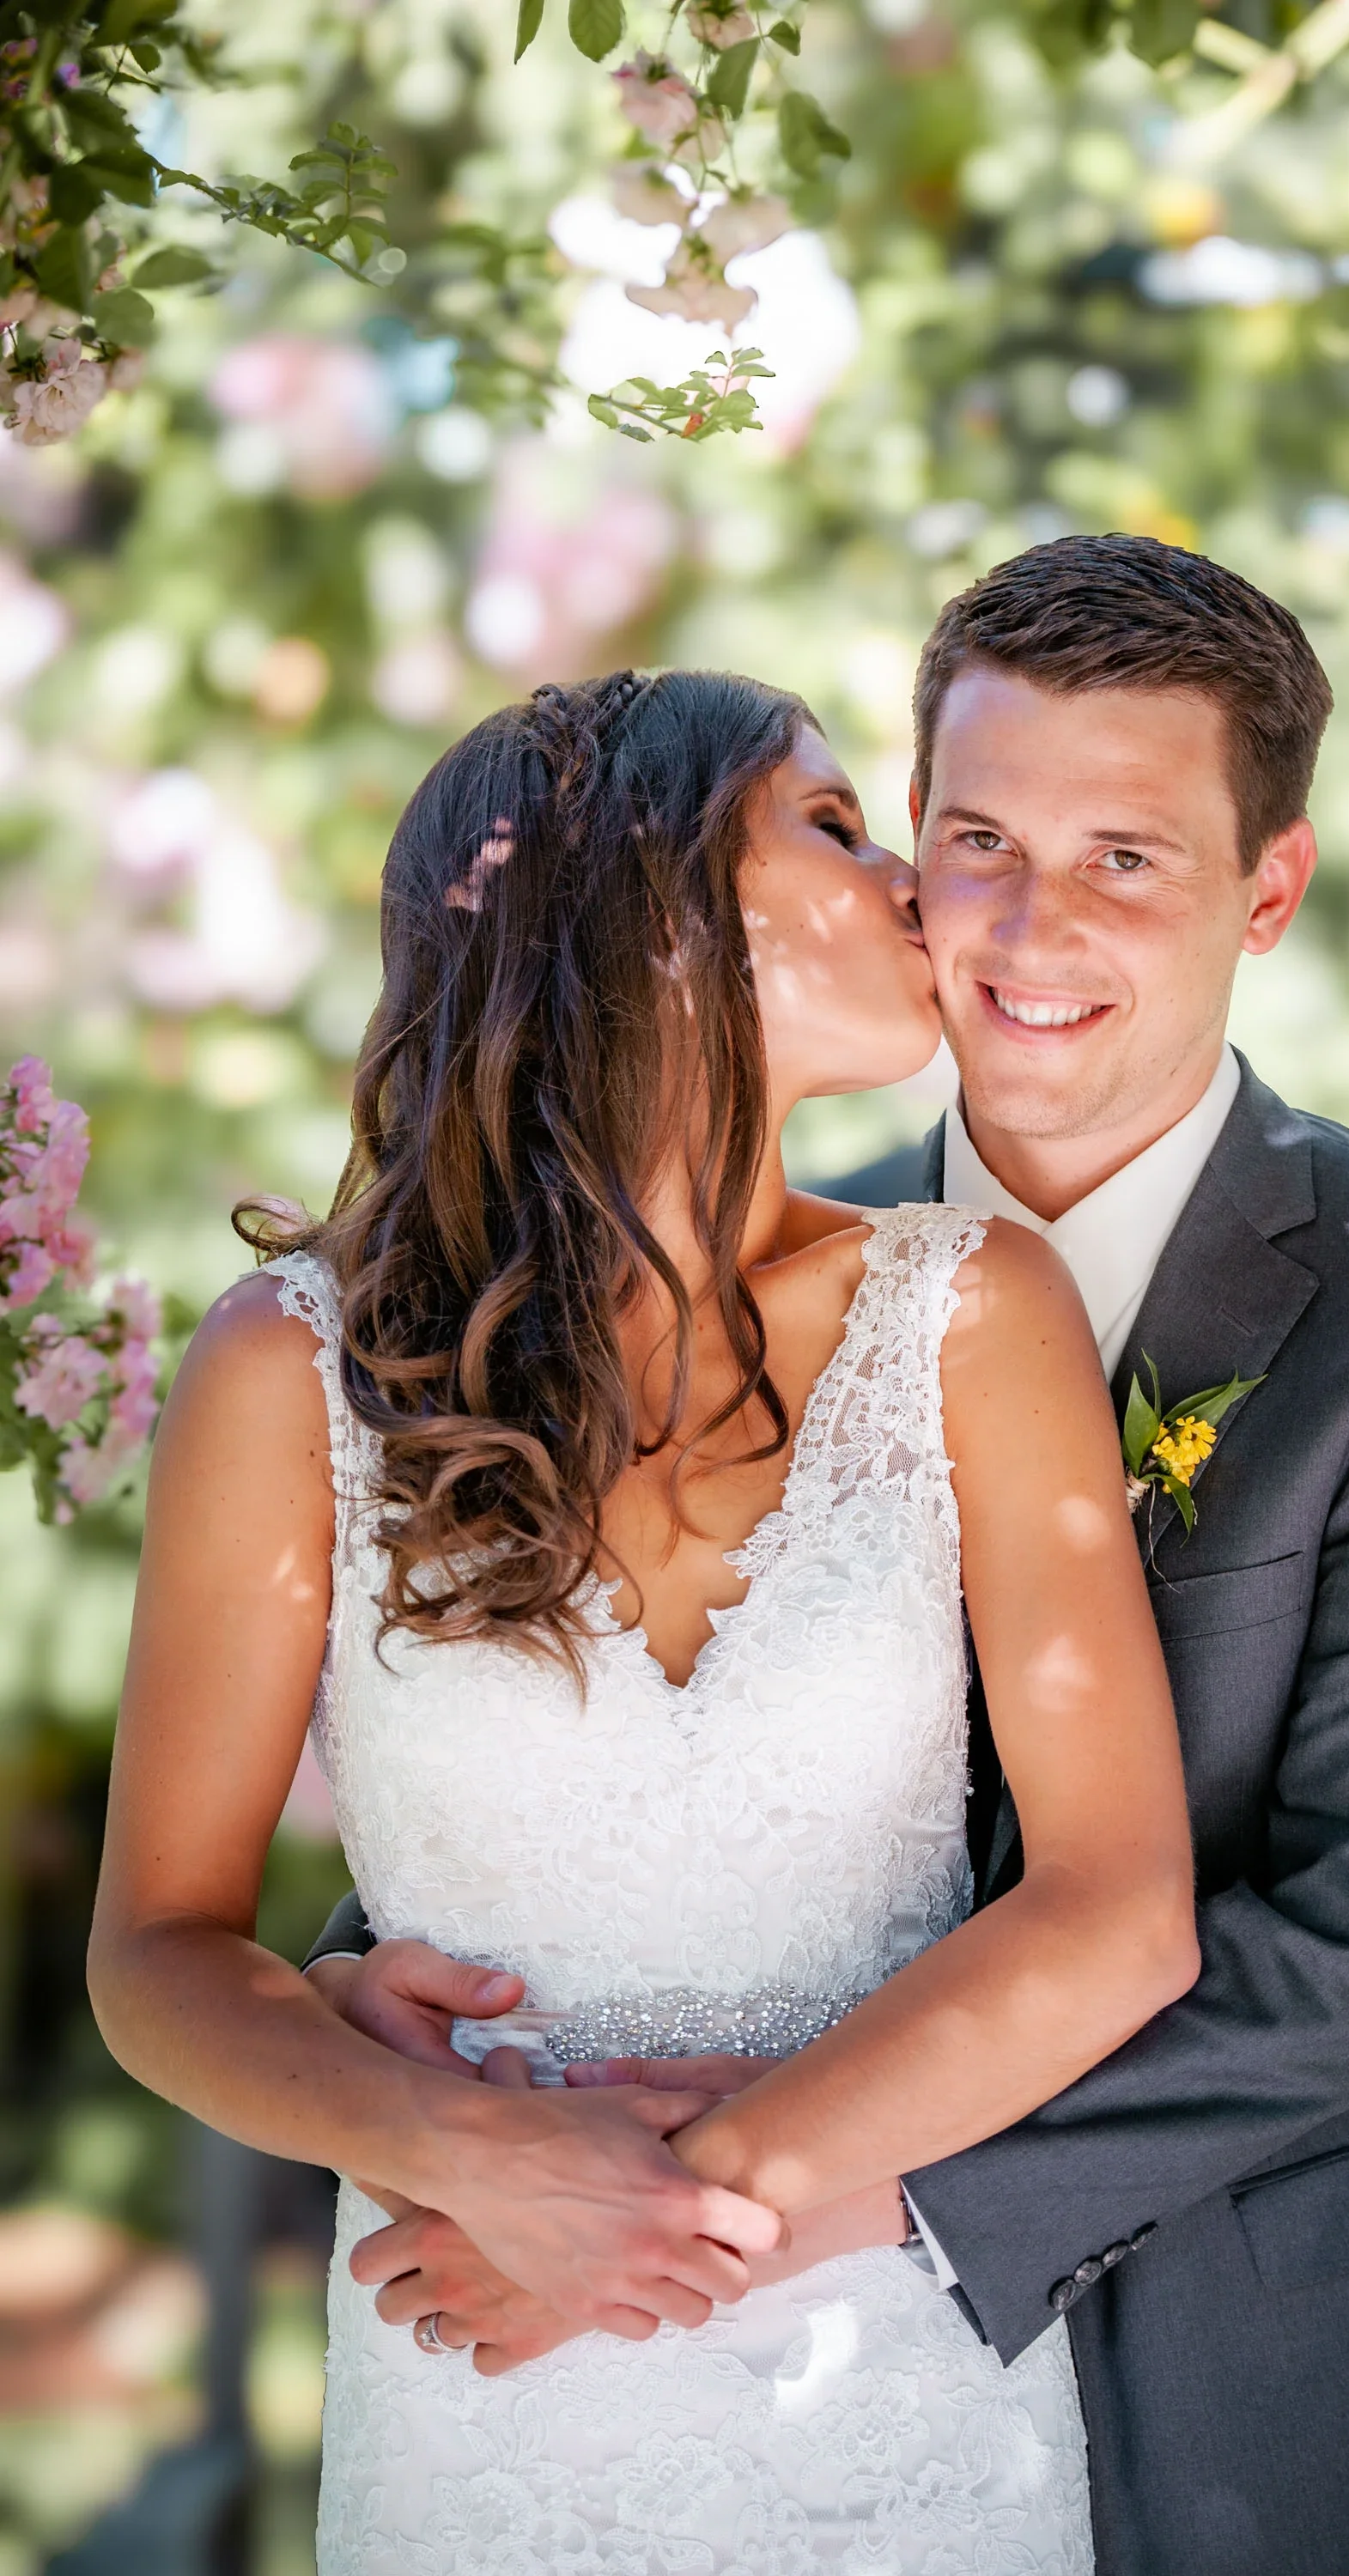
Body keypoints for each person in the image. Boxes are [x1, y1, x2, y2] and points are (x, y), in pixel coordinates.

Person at [313, 538, 1349, 2574]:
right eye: (980, 839)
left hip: (1291, 2369)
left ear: (1266, 894)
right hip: (760, 2390)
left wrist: (792, 2192)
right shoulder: (731, 1268)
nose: (1031, 923)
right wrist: (399, 1993)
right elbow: (583, 1682)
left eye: (1129, 857)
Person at [87, 665, 1201, 2573]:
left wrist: (664, 2201)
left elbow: (1118, 1911)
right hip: (481, 2387)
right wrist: (463, 2156)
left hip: (901, 2405)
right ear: (649, 906)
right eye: (838, 830)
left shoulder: (972, 1313)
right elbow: (160, 1958)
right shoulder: (297, 1374)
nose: (917, 891)